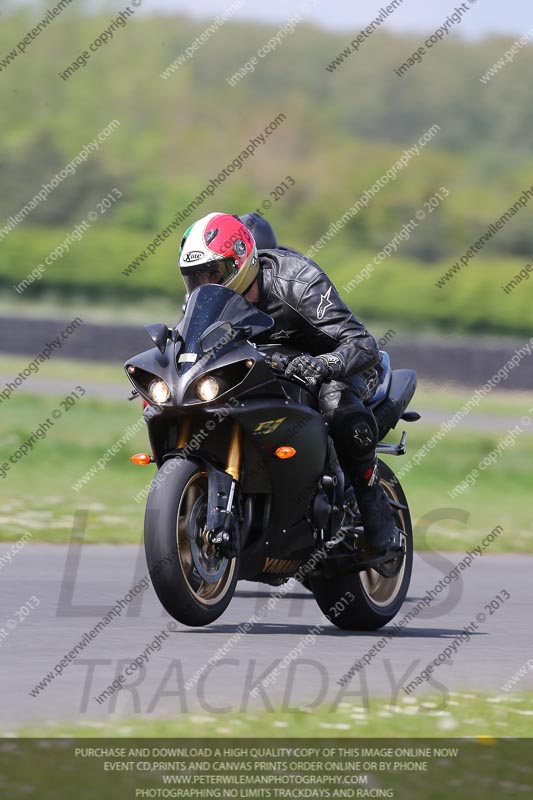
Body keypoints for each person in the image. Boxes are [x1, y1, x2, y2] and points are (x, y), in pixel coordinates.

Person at [178, 211, 399, 556]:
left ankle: (372, 503)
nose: (205, 283)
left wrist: (324, 364)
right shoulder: (205, 299)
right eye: (195, 276)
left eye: (213, 272)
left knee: (335, 401)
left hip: (338, 363)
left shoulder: (298, 281)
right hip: (274, 367)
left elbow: (362, 343)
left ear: (240, 261)